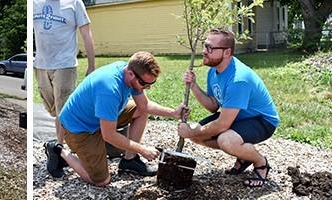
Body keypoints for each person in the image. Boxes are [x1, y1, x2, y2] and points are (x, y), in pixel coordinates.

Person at [44, 52, 188, 186]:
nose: (147, 88)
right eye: (144, 84)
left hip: (99, 117)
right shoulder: (109, 89)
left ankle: (129, 160)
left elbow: (144, 105)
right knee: (101, 181)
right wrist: (143, 149)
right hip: (79, 128)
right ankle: (58, 150)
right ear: (131, 74)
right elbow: (109, 135)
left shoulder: (128, 72)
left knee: (140, 111)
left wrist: (173, 113)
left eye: (151, 84)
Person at [177, 28, 279, 188]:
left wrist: (189, 132)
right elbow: (213, 106)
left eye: (210, 48)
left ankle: (260, 163)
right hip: (238, 117)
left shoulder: (238, 79)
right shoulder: (213, 71)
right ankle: (243, 155)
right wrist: (193, 86)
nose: (204, 51)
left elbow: (222, 125)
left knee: (226, 141)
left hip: (262, 121)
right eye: (205, 46)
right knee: (198, 135)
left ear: (227, 52)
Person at [33, 0, 96, 145]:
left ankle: (60, 148)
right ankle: (65, 142)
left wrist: (91, 65)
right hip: (41, 65)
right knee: (53, 110)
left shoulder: (74, 3)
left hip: (65, 65)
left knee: (63, 110)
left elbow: (86, 34)